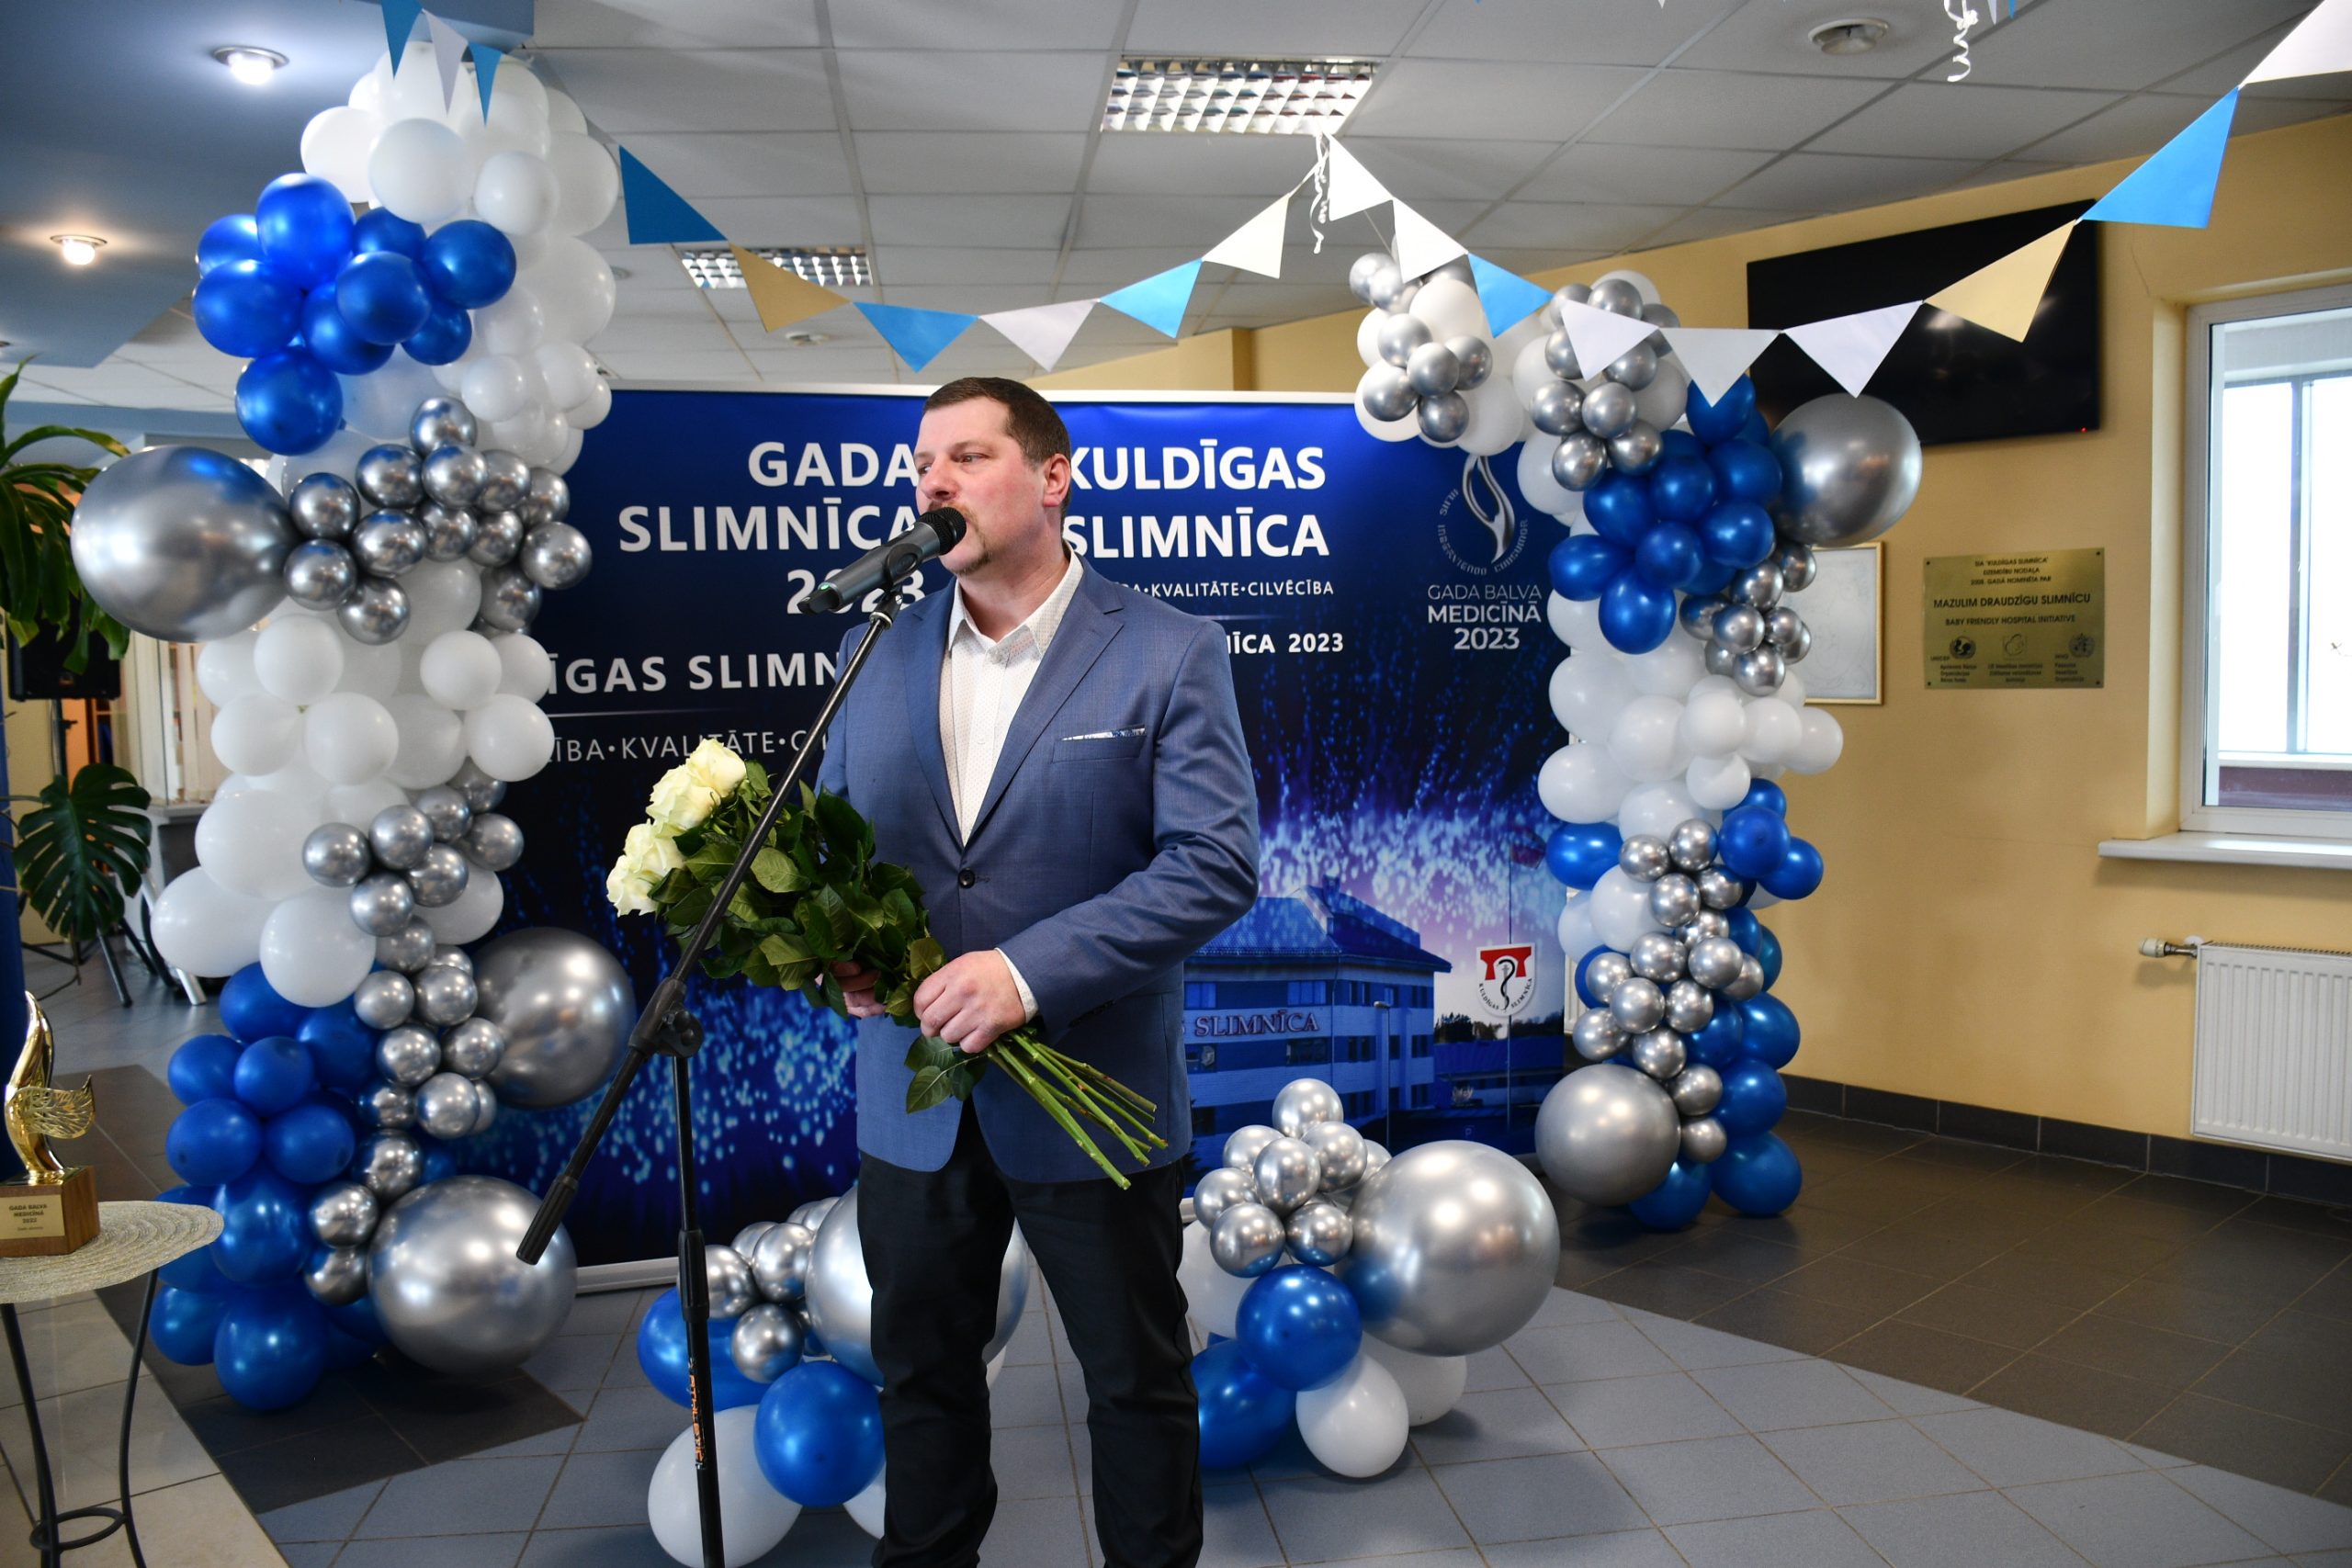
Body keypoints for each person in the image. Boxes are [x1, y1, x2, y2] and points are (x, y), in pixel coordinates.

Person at [815, 377, 1260, 1568]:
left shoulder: (1167, 649)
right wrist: (835, 955)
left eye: (967, 457)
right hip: (913, 1103)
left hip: (1093, 1096)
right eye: (923, 465)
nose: (935, 483)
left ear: (1053, 477)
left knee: (1136, 1385)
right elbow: (832, 855)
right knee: (920, 1379)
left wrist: (1027, 972)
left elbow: (1215, 866)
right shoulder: (874, 651)